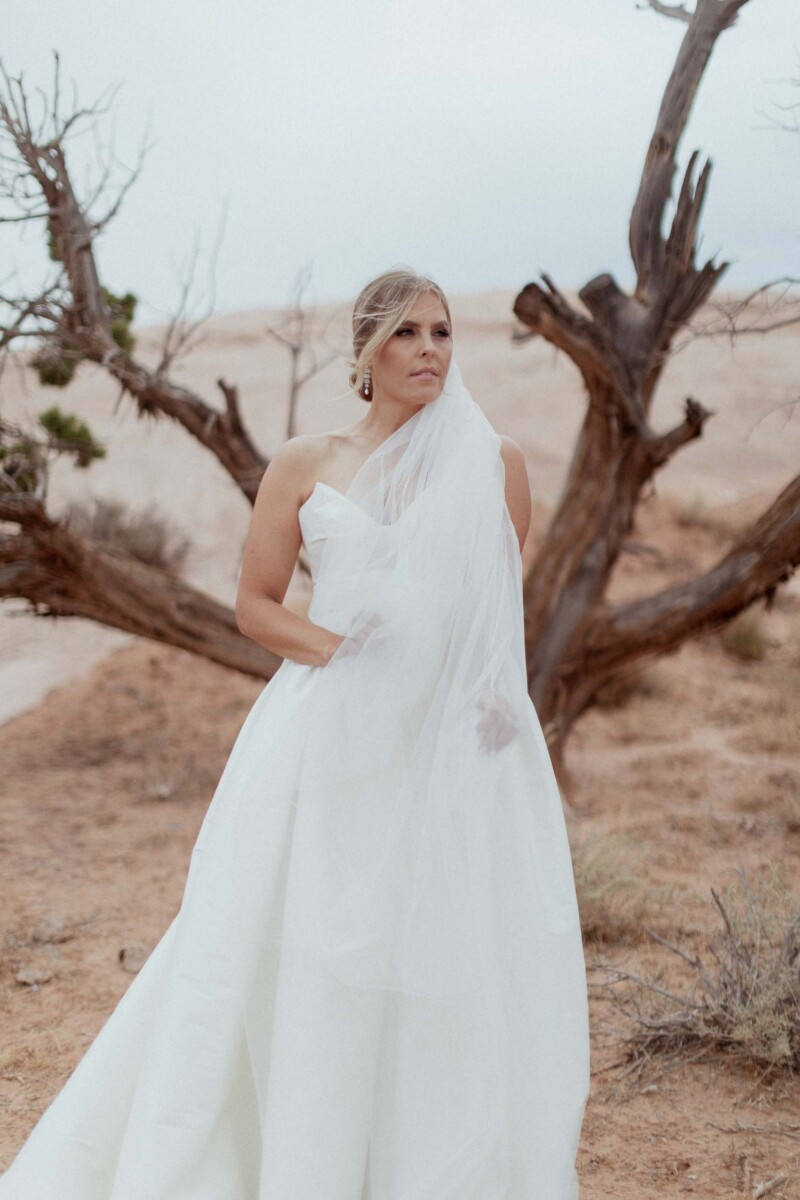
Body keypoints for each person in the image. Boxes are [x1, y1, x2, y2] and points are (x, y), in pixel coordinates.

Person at [0, 268, 590, 1199]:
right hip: (329, 735)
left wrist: (490, 693)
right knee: (308, 943)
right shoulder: (306, 464)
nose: (429, 349)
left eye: (441, 332)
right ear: (366, 351)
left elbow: (495, 606)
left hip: (447, 747)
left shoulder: (494, 462)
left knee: (440, 947)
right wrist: (339, 647)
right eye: (405, 333)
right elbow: (253, 605)